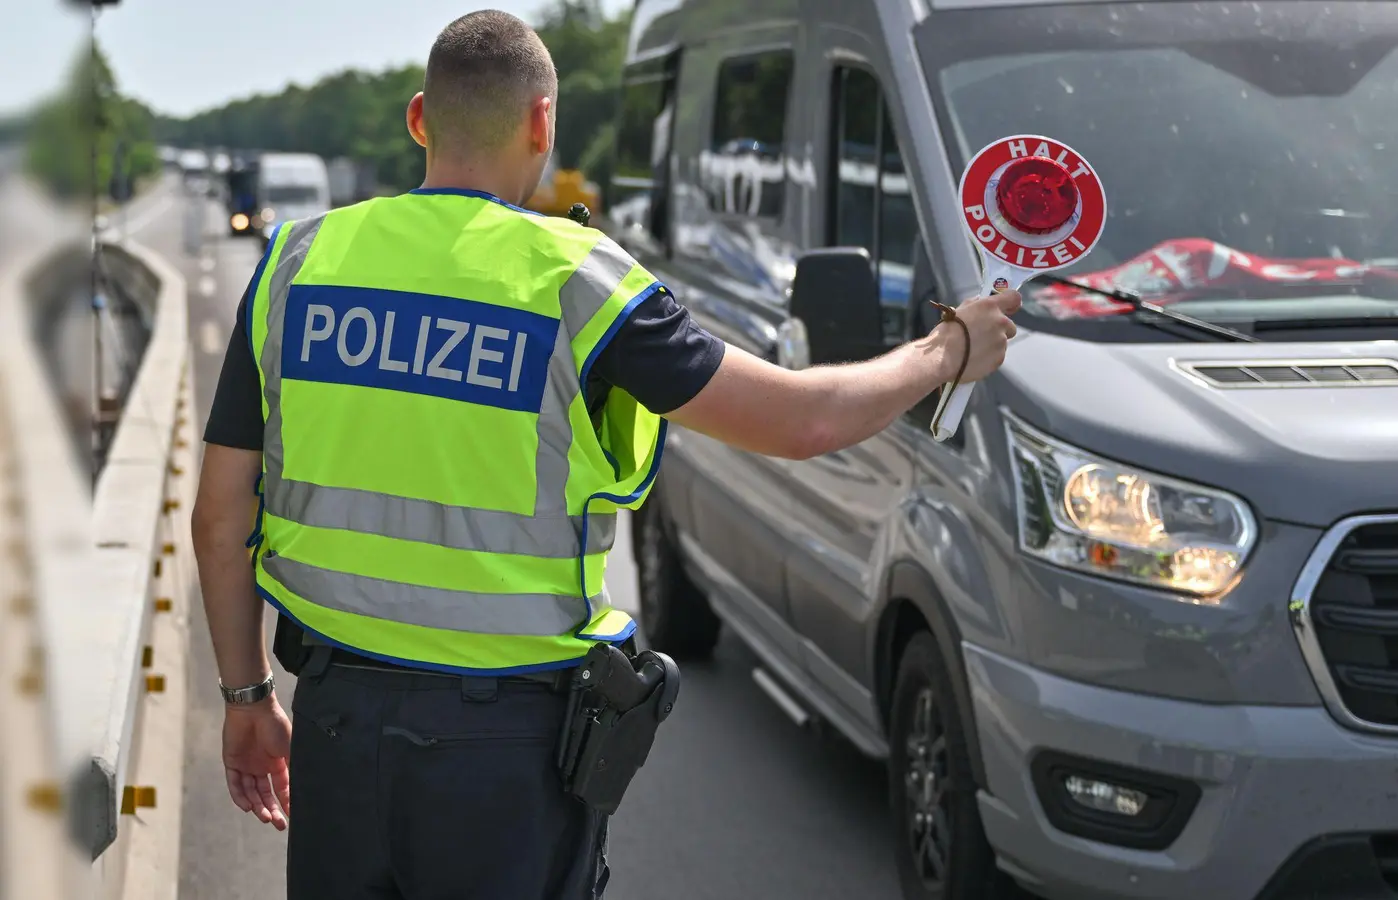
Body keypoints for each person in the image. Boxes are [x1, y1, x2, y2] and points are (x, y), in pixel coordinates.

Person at [189, 9, 1020, 900]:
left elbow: (219, 516)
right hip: (504, 754)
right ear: (543, 122)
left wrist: (245, 702)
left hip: (337, 728)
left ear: (420, 119)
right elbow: (800, 423)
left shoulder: (298, 262)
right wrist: (946, 353)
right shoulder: (582, 282)